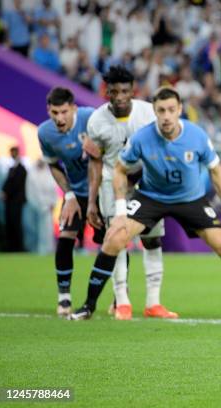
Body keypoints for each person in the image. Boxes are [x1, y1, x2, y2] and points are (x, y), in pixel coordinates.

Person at [70, 87, 221, 321]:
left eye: (171, 110)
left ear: (179, 111)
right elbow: (120, 169)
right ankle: (88, 305)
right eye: (161, 110)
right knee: (114, 238)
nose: (166, 116)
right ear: (154, 111)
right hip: (151, 197)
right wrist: (122, 212)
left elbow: (216, 170)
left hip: (190, 199)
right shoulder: (142, 137)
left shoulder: (196, 136)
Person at [84, 65, 177, 320]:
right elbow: (95, 162)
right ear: (107, 92)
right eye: (114, 91)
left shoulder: (148, 113)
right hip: (112, 184)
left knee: (152, 239)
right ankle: (122, 302)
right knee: (117, 238)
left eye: (125, 91)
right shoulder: (96, 121)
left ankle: (153, 303)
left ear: (132, 90)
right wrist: (91, 202)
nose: (120, 96)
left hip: (147, 184)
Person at [37, 87, 98, 316]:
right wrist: (69, 195)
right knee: (65, 238)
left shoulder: (91, 117)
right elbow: (53, 165)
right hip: (76, 195)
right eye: (55, 113)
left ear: (74, 108)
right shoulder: (45, 133)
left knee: (113, 242)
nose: (60, 118)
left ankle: (118, 297)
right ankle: (64, 297)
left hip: (101, 189)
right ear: (48, 111)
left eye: (64, 112)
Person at [25, 159, 57, 254]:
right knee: (33, 229)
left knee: (47, 229)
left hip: (48, 207)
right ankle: (34, 248)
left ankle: (48, 249)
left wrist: (52, 203)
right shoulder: (32, 175)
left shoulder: (49, 174)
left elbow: (53, 191)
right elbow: (30, 192)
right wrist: (36, 205)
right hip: (35, 207)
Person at [1, 146, 27, 252]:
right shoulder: (11, 168)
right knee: (10, 223)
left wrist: (6, 193)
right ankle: (10, 246)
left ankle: (18, 247)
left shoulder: (21, 169)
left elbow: (16, 185)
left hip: (17, 201)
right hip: (9, 202)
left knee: (16, 223)